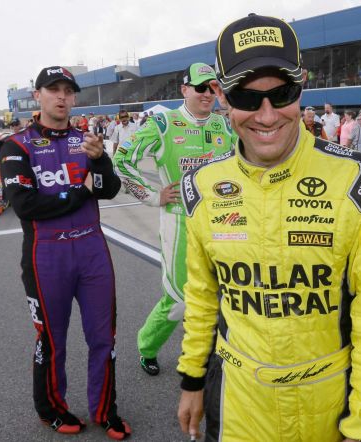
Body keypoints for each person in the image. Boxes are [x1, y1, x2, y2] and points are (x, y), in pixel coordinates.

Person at [177, 13, 361, 442]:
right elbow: (203, 297)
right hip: (237, 402)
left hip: (328, 405)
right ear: (223, 97)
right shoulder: (202, 186)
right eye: (247, 97)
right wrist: (191, 379)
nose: (266, 115)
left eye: (282, 92)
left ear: (302, 86)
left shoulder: (360, 180)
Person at [0, 66, 130, 440]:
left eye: (67, 91)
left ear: (74, 98)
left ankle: (106, 410)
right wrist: (80, 191)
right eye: (52, 89)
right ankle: (50, 408)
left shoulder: (84, 140)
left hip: (92, 249)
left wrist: (101, 161)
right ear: (37, 94)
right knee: (51, 339)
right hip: (46, 256)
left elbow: (109, 189)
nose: (61, 96)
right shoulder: (17, 145)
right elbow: (25, 205)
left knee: (104, 337)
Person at [113, 62, 236, 376]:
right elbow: (122, 160)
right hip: (180, 220)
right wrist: (153, 196)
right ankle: (147, 345)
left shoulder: (224, 126)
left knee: (227, 290)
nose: (207, 94)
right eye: (200, 87)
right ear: (184, 89)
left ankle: (216, 351)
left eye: (212, 88)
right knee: (180, 296)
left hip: (221, 220)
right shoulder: (163, 123)